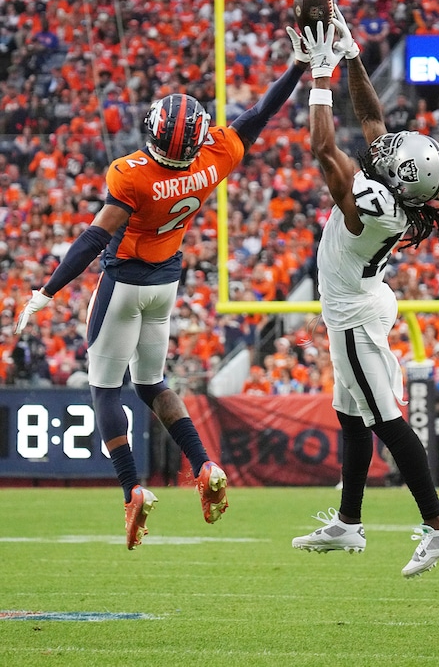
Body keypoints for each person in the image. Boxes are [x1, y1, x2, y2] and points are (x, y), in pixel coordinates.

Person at [16, 48, 309, 550]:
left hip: (124, 282)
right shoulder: (214, 158)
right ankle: (205, 463)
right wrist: (299, 66)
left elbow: (92, 239)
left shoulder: (131, 174)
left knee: (106, 388)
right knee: (151, 381)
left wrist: (46, 291)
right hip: (166, 285)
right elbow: (261, 111)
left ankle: (131, 489)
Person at [286, 8, 439, 577]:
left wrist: (320, 75)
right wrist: (354, 54)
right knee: (350, 415)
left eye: (392, 157)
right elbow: (369, 112)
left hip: (355, 316)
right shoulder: (395, 193)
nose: (383, 149)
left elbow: (322, 150)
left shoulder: (376, 206)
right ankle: (348, 522)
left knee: (386, 419)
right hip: (359, 303)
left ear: (400, 180)